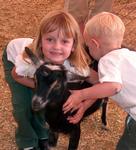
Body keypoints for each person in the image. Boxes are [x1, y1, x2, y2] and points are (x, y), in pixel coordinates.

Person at [2, 10, 96, 150]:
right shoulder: (28, 61)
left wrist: (84, 105)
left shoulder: (75, 65)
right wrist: (45, 88)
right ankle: (26, 140)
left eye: (64, 41)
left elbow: (100, 83)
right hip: (15, 65)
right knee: (23, 106)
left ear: (73, 46)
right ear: (40, 41)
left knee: (44, 102)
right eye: (50, 39)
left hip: (41, 75)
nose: (57, 47)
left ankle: (41, 132)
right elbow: (17, 76)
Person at [63, 12, 136, 149]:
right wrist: (84, 106)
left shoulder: (107, 60)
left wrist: (81, 94)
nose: (89, 50)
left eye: (89, 47)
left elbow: (113, 86)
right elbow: (103, 86)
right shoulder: (130, 55)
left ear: (94, 44)